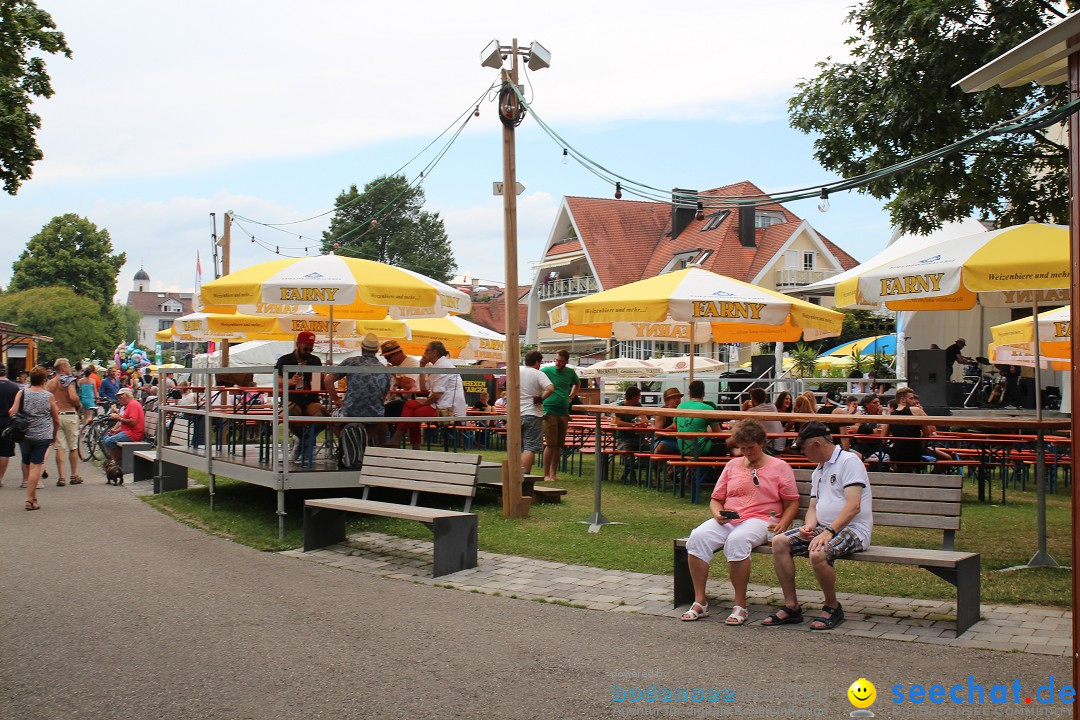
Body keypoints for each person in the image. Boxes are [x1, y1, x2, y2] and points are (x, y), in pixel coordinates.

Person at [680, 420, 799, 624]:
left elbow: (792, 502)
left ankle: (740, 604)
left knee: (738, 540)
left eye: (750, 447)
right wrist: (717, 513)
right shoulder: (732, 464)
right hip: (731, 517)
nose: (746, 452)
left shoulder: (779, 467)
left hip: (760, 519)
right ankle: (700, 600)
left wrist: (783, 523)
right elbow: (716, 499)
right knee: (698, 536)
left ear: (762, 443)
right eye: (742, 448)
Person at [763, 421, 873, 630]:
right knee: (779, 542)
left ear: (816, 444)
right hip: (825, 528)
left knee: (818, 552)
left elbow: (854, 506)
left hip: (854, 529)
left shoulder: (849, 462)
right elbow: (813, 507)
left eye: (803, 449)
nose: (803, 454)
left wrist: (829, 532)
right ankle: (792, 606)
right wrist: (809, 527)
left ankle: (832, 607)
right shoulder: (818, 471)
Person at [391, 341, 466, 449]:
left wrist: (424, 402)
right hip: (441, 404)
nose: (424, 353)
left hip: (447, 410)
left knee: (412, 411)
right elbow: (424, 388)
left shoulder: (442, 366)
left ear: (434, 352)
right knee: (410, 407)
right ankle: (403, 442)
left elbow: (437, 394)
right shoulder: (438, 365)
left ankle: (402, 441)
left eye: (427, 350)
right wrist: (422, 367)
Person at [324, 334, 391, 443]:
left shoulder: (351, 362)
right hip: (374, 415)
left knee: (329, 419)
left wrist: (336, 400)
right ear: (376, 350)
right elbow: (383, 396)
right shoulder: (384, 370)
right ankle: (365, 442)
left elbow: (328, 380)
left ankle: (346, 442)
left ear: (362, 348)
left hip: (351, 412)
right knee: (380, 421)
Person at [13, 366, 59, 510]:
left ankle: (33, 497)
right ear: (44, 380)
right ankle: (29, 500)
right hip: (42, 434)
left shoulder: (22, 393)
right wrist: (54, 433)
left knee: (27, 463)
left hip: (24, 434)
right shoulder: (48, 396)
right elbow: (56, 418)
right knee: (36, 466)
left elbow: (12, 411)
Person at [274, 331, 329, 448]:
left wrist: (322, 380)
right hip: (291, 399)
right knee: (292, 414)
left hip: (311, 400)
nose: (308, 352)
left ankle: (304, 440)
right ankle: (304, 440)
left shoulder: (315, 361)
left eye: (311, 349)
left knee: (324, 415)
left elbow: (320, 383)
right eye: (305, 349)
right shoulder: (284, 360)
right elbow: (276, 381)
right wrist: (290, 381)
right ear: (297, 344)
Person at [541, 350, 579, 483]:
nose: (557, 363)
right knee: (550, 444)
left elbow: (577, 383)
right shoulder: (547, 370)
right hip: (549, 409)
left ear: (566, 361)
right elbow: (537, 380)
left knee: (558, 445)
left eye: (560, 361)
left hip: (563, 411)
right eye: (556, 360)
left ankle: (553, 473)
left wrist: (571, 396)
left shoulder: (570, 373)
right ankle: (546, 474)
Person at [676, 380, 722, 488]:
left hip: (682, 447)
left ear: (689, 393)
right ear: (704, 393)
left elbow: (675, 427)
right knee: (727, 445)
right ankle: (718, 479)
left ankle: (696, 474)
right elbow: (719, 433)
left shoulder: (680, 406)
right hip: (701, 448)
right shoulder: (708, 409)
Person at [45, 357, 82, 486]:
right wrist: (78, 403)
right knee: (73, 447)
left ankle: (61, 477)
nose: (69, 368)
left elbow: (46, 399)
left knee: (59, 447)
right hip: (69, 414)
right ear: (63, 368)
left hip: (56, 414)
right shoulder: (68, 381)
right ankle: (73, 475)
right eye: (68, 366)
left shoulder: (50, 382)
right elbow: (73, 397)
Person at [101, 387, 145, 484]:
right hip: (128, 432)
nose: (118, 400)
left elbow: (133, 422)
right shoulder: (128, 405)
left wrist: (119, 419)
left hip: (134, 434)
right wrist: (116, 431)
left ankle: (117, 462)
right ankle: (116, 460)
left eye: (120, 397)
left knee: (109, 441)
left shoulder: (133, 405)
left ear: (127, 396)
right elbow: (126, 425)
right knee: (105, 438)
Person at [519, 350, 553, 473]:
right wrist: (541, 399)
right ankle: (524, 476)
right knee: (530, 447)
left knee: (515, 445)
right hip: (532, 412)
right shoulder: (538, 374)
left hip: (516, 413)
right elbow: (550, 388)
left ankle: (512, 474)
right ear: (537, 361)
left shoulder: (517, 371)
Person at [882, 387, 930, 470]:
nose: (914, 401)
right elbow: (927, 432)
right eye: (911, 398)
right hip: (914, 453)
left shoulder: (891, 416)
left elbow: (883, 438)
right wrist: (920, 443)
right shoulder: (916, 410)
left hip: (897, 454)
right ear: (903, 399)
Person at [846, 393, 884, 460]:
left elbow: (883, 429)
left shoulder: (883, 415)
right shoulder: (860, 414)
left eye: (878, 402)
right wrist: (870, 430)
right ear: (867, 405)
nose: (878, 405)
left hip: (877, 443)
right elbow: (854, 428)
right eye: (874, 403)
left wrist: (880, 416)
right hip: (862, 443)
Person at [612, 385, 649, 452]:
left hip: (639, 438)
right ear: (633, 399)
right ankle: (629, 461)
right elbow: (617, 422)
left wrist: (644, 423)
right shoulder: (620, 407)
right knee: (627, 450)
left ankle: (642, 462)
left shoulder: (638, 405)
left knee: (649, 450)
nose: (639, 400)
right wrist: (633, 425)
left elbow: (645, 419)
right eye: (638, 398)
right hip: (623, 438)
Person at [0, 366, 21, 485]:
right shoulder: (14, 387)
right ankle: (0, 477)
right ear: (6, 372)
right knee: (5, 451)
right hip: (7, 422)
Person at [748, 388, 784, 453]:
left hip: (770, 448)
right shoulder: (773, 407)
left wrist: (744, 408)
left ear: (753, 399)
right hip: (779, 446)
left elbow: (741, 426)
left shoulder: (752, 411)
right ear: (765, 399)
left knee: (738, 438)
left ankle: (725, 448)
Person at [653, 387, 683, 455]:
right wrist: (672, 426)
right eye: (674, 398)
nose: (677, 400)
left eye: (679, 398)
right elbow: (657, 434)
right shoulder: (662, 413)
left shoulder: (682, 411)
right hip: (665, 440)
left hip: (681, 441)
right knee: (660, 448)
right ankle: (652, 465)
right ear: (667, 400)